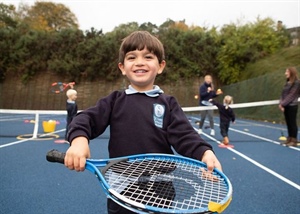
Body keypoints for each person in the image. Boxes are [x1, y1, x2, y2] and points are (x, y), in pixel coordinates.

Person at [63, 31, 223, 214]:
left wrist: (205, 152)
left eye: (148, 57)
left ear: (160, 66)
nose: (139, 62)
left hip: (161, 187)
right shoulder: (114, 100)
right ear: (122, 67)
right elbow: (86, 118)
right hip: (121, 187)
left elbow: (185, 135)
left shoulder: (168, 103)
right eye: (132, 57)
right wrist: (79, 140)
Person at [279, 67, 300, 147]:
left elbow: (291, 95)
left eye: (287, 71)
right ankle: (289, 138)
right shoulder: (287, 83)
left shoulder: (297, 83)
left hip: (292, 106)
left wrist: (282, 104)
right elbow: (283, 94)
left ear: (291, 73)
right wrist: (280, 103)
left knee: (292, 123)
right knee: (288, 123)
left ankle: (294, 139)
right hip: (286, 106)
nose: (285, 73)